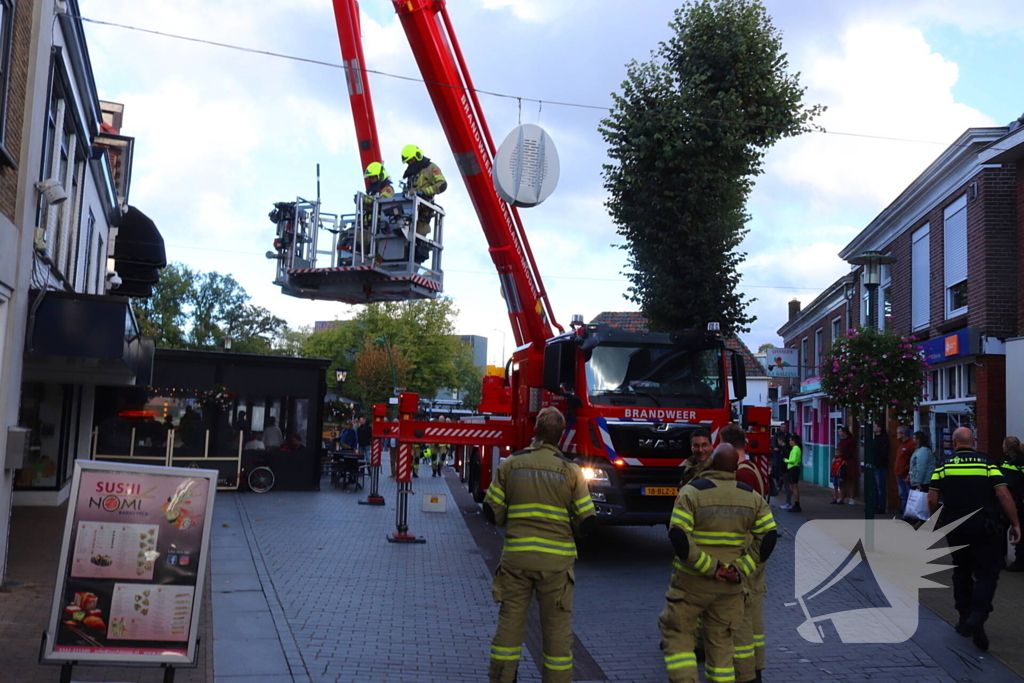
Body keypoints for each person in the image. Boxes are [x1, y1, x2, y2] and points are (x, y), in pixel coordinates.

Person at [482, 407, 595, 683]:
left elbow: (491, 510)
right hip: (556, 565)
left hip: (517, 561)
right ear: (560, 435)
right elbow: (587, 520)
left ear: (535, 431)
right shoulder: (572, 471)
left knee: (509, 625)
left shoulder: (511, 464)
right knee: (557, 632)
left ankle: (501, 677)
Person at [659, 443, 777, 683]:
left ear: (711, 464)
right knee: (722, 643)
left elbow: (678, 535)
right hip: (731, 587)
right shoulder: (751, 496)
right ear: (735, 467)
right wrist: (741, 568)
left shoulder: (692, 492)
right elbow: (769, 536)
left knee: (678, 633)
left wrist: (709, 568)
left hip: (692, 584)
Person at [928, 427, 1021, 651]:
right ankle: (978, 614)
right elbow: (1003, 493)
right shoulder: (988, 464)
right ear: (974, 441)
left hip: (955, 526)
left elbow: (932, 498)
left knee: (961, 570)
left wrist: (936, 520)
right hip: (984, 526)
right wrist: (1016, 523)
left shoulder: (943, 465)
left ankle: (963, 618)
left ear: (955, 443)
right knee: (988, 572)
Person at [719, 424, 768, 681]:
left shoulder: (742, 474)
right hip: (754, 552)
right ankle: (753, 667)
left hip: (747, 553)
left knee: (745, 616)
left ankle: (750, 670)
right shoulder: (752, 470)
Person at [400, 144, 447, 246]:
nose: (410, 163)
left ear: (418, 156)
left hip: (423, 211)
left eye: (411, 160)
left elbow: (442, 184)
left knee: (417, 241)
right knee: (402, 240)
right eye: (408, 162)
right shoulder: (411, 173)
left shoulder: (431, 168)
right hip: (408, 212)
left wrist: (425, 192)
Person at [999, 436, 1024, 572]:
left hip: (1017, 501)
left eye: (1003, 443)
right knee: (1000, 529)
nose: (1002, 446)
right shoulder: (1006, 459)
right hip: (1006, 499)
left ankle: (1020, 560)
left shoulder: (1020, 461)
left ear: (1008, 447)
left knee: (1018, 529)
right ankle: (1000, 558)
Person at [870, 422, 891, 514]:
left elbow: (883, 453)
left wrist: (877, 462)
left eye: (875, 426)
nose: (874, 428)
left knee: (880, 487)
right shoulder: (876, 439)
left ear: (880, 428)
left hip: (880, 466)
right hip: (875, 465)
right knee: (875, 487)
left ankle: (881, 506)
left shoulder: (884, 439)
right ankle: (875, 504)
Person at [894, 425, 915, 515]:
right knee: (902, 495)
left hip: (906, 474)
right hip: (899, 473)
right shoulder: (901, 444)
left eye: (898, 433)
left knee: (907, 495)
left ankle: (907, 514)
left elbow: (912, 460)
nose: (897, 435)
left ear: (903, 434)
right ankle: (904, 512)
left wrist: (907, 470)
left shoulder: (910, 445)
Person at [836, 426, 859, 505]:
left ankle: (852, 498)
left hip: (849, 461)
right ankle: (842, 497)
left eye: (840, 431)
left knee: (850, 480)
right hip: (842, 461)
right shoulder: (841, 441)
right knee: (843, 480)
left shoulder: (850, 441)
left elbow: (851, 452)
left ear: (844, 432)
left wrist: (842, 457)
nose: (839, 433)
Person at [780, 434, 803, 513]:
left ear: (794, 441)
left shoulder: (796, 449)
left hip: (793, 468)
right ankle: (796, 504)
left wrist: (785, 460)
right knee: (793, 487)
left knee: (794, 486)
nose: (789, 442)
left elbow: (793, 460)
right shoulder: (795, 448)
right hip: (792, 468)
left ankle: (797, 504)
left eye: (790, 440)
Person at [770, 422, 790, 492]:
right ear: (780, 428)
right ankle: (777, 480)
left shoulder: (788, 435)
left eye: (785, 427)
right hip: (777, 453)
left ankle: (785, 482)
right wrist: (775, 447)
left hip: (785, 453)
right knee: (776, 466)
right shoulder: (777, 434)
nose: (784, 429)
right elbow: (774, 441)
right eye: (782, 427)